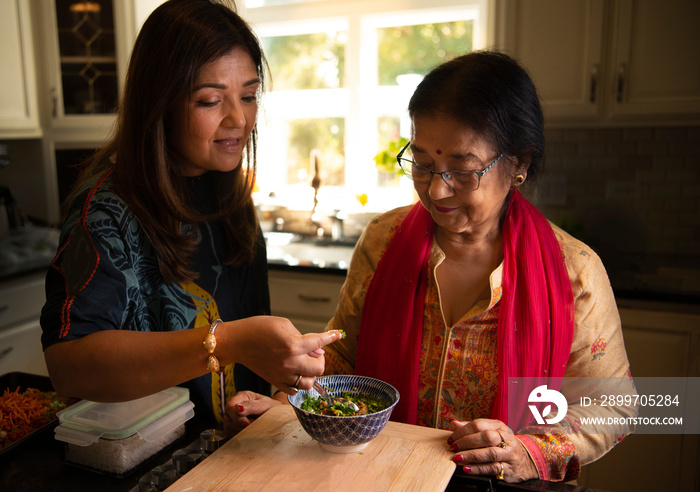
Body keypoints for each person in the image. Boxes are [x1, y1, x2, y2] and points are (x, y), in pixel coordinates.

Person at [231, 50, 635, 483]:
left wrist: (527, 450)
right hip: (382, 475)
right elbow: (345, 358)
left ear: (519, 164)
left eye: (463, 170)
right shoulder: (383, 240)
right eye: (422, 165)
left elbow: (615, 406)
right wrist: (291, 402)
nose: (437, 190)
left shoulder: (574, 271)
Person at [40, 0, 342, 428]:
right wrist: (225, 343)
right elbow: (69, 367)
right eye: (210, 101)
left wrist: (272, 398)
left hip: (237, 454)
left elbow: (255, 347)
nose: (238, 118)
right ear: (159, 102)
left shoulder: (231, 195)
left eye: (249, 96)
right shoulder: (107, 211)